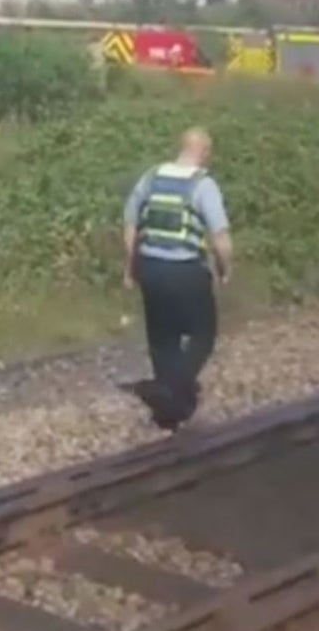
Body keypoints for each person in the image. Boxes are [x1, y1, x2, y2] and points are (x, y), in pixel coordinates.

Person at [123, 127, 232, 431]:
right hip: (186, 271)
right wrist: (226, 267)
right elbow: (220, 235)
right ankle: (174, 389)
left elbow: (131, 221)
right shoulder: (203, 184)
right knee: (203, 334)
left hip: (151, 267)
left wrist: (130, 266)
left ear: (180, 147)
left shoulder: (151, 177)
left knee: (162, 337)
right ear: (204, 152)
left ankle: (171, 400)